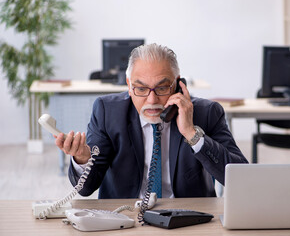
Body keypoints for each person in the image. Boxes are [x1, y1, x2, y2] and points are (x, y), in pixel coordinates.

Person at [55, 43, 248, 199]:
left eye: (162, 88)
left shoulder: (206, 113)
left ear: (178, 85)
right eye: (141, 89)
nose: (152, 100)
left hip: (189, 219)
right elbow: (86, 189)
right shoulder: (108, 111)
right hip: (125, 218)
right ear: (129, 85)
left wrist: (192, 133)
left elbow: (242, 180)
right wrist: (82, 159)